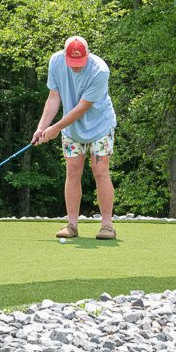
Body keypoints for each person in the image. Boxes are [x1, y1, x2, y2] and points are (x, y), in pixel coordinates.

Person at [31, 36, 117, 240]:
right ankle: (71, 224)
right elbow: (53, 97)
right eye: (73, 63)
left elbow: (82, 107)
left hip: (100, 125)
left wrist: (55, 128)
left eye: (80, 63)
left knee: (100, 170)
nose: (76, 68)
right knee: (73, 169)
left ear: (87, 55)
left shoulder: (100, 70)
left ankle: (107, 225)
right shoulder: (56, 62)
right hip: (71, 129)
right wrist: (41, 127)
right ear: (65, 56)